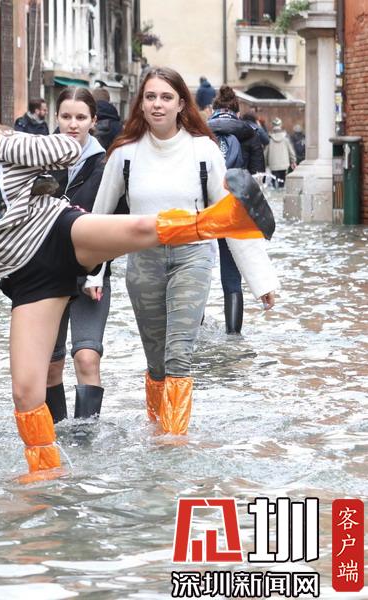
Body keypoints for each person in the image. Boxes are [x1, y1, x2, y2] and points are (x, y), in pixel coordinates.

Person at [0, 75, 277, 479]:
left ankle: (226, 219)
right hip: (26, 278)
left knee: (138, 228)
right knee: (25, 390)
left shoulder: (2, 144)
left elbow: (67, 149)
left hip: (57, 232)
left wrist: (3, 143)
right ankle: (46, 473)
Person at [87, 67, 278, 437]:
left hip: (193, 258)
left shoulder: (203, 151)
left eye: (166, 97)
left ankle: (173, 442)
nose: (157, 104)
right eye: (150, 97)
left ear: (180, 105)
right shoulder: (125, 154)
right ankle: (157, 431)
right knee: (156, 361)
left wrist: (261, 280)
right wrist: (94, 273)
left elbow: (231, 217)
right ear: (141, 104)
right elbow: (99, 219)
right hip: (144, 261)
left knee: (178, 355)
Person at [45, 87, 111, 422]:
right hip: (46, 274)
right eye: (66, 117)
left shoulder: (105, 165)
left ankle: (86, 437)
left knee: (87, 357)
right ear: (56, 118)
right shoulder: (39, 159)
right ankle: (56, 435)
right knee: (50, 364)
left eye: (81, 117)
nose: (73, 124)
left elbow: (112, 224)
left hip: (91, 273)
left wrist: (97, 272)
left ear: (93, 121)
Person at [207, 86, 261, 334]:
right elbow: (257, 178)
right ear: (237, 112)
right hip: (234, 209)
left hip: (205, 209)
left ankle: (194, 329)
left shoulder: (201, 133)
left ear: (214, 109)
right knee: (232, 276)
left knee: (196, 270)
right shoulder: (250, 134)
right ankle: (233, 335)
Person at [265, 117, 297, 188]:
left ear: (273, 125)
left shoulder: (269, 139)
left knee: (274, 183)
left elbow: (265, 153)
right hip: (284, 164)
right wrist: (293, 161)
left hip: (273, 164)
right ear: (280, 125)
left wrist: (265, 163)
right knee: (282, 183)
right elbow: (291, 151)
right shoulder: (285, 139)